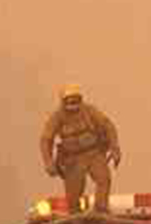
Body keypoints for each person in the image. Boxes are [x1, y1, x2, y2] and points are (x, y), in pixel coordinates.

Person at [38, 83, 121, 214]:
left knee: (104, 178)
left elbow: (108, 126)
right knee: (73, 192)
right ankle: (75, 217)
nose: (73, 104)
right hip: (72, 159)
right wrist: (48, 161)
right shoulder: (57, 117)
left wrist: (115, 148)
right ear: (63, 102)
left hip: (93, 153)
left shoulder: (89, 111)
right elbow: (46, 139)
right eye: (69, 101)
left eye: (75, 100)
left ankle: (101, 208)